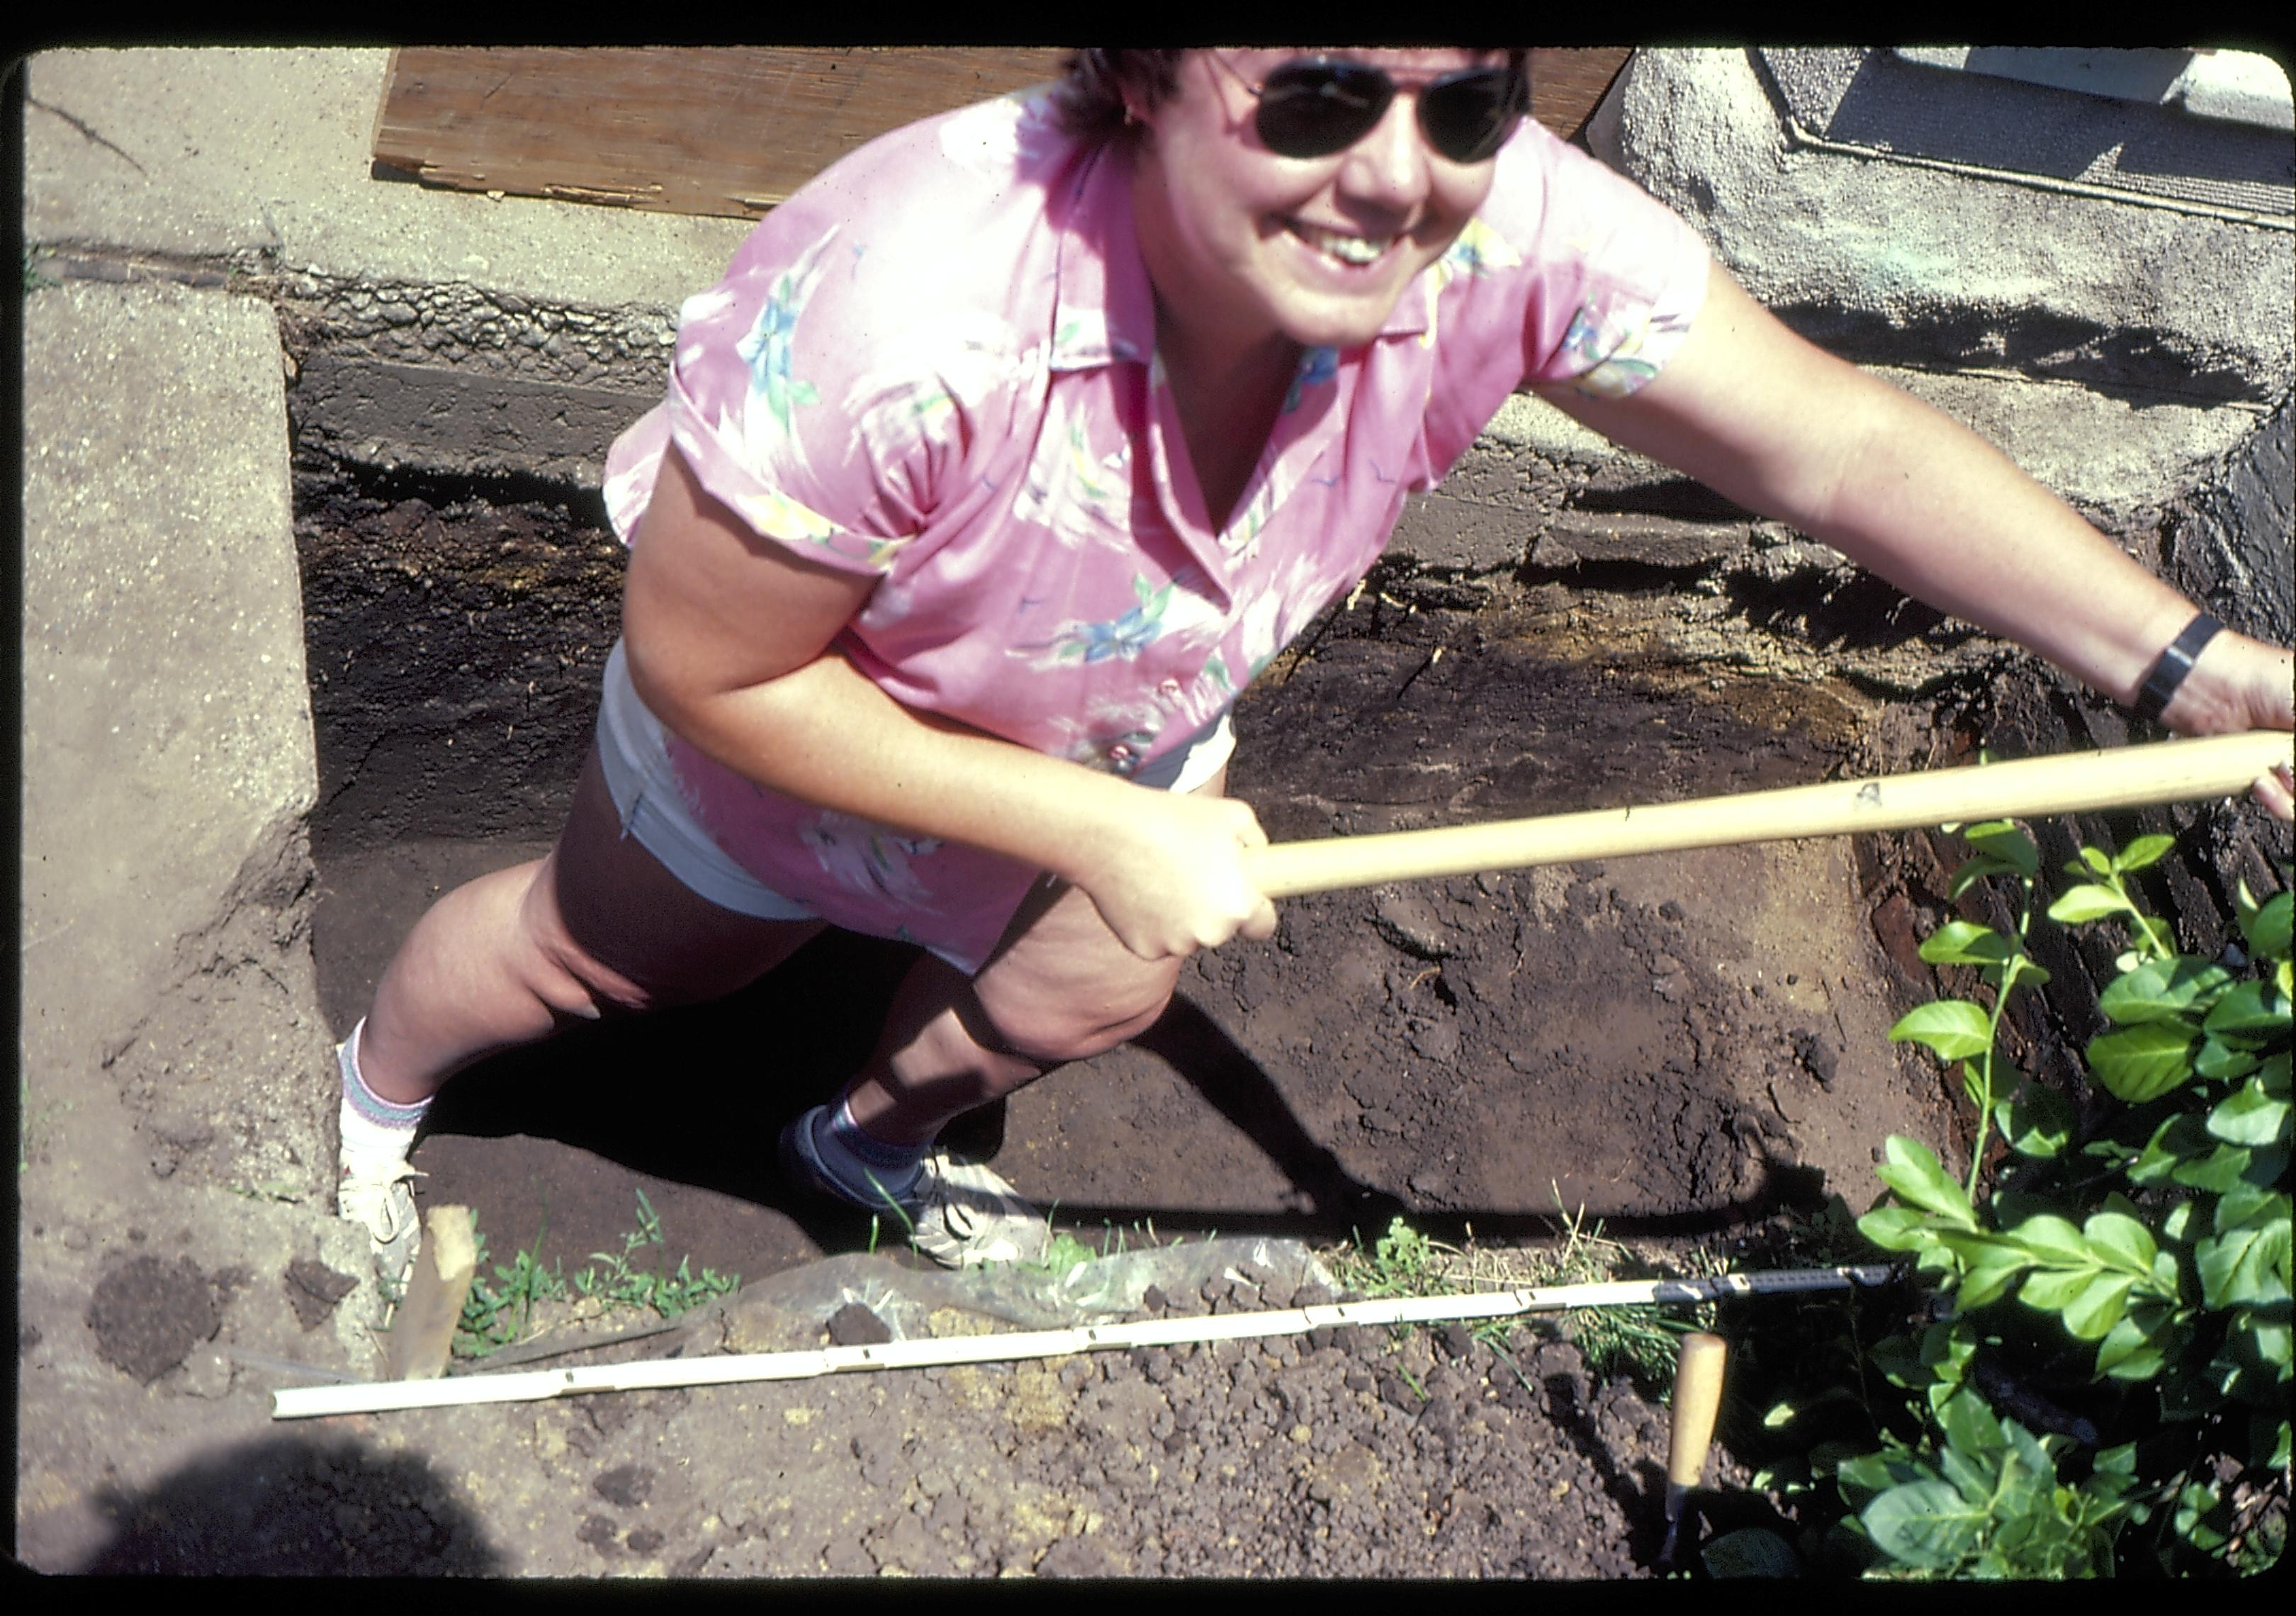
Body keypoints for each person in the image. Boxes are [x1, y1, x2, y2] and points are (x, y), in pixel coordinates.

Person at [335, 47, 2296, 1284]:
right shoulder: (910, 304)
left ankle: (855, 1140)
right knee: (598, 963)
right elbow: (711, 668)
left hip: (1132, 745)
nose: (1398, 174)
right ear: (1145, 73)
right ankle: (372, 1093)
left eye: (1465, 101)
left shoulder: (1499, 228)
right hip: (793, 750)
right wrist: (1089, 817)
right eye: (1318, 90)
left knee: (1080, 998)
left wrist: (2190, 668)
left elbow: (1833, 446)